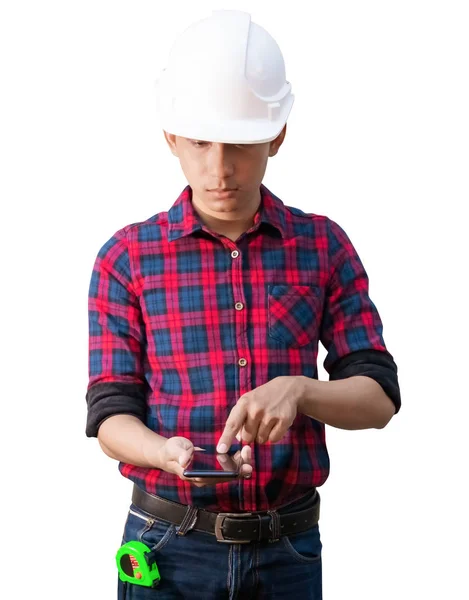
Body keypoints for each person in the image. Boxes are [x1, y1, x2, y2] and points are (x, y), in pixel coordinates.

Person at [85, 9, 401, 599]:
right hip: (165, 547)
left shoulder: (323, 246)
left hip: (288, 550)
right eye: (201, 142)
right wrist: (164, 453)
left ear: (277, 135)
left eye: (241, 143)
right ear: (170, 136)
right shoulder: (125, 258)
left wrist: (301, 389)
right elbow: (109, 417)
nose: (220, 168)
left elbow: (379, 399)